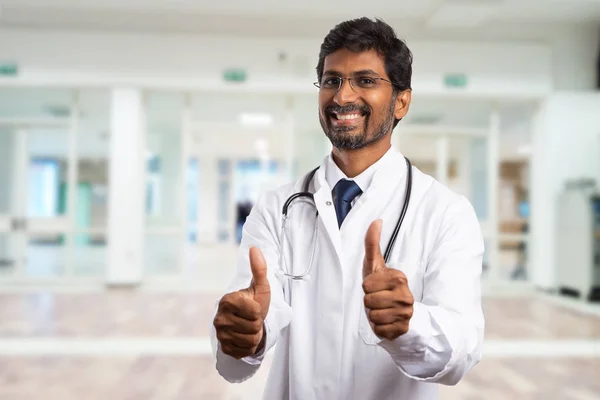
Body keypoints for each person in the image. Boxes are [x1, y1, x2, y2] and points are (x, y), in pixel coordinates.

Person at [211, 17, 485, 400]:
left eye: (366, 81)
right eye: (331, 80)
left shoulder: (445, 213)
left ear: (402, 101)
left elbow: (463, 348)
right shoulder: (277, 208)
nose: (342, 97)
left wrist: (409, 324)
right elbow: (246, 329)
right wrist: (245, 333)